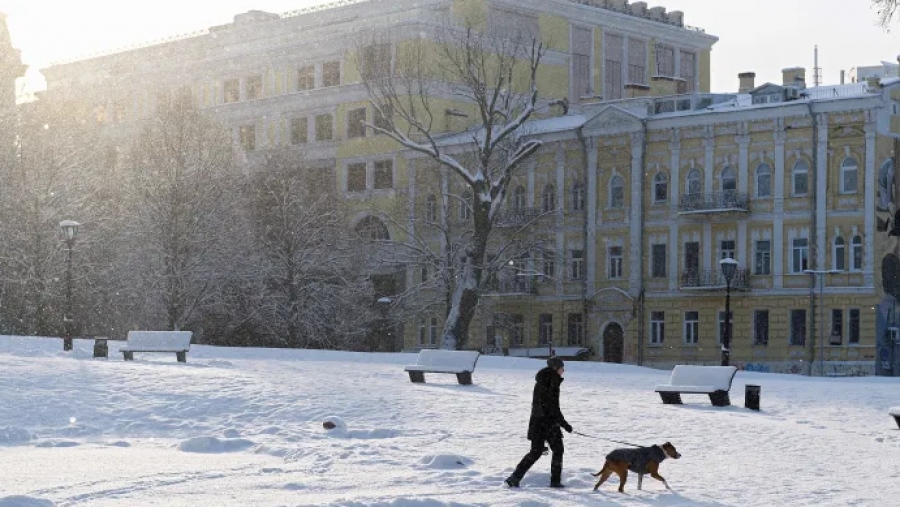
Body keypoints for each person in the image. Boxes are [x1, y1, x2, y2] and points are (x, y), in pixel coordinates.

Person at [505, 356, 572, 489]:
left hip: (540, 423)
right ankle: (554, 481)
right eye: (561, 368)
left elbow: (549, 406)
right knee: (555, 450)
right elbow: (552, 407)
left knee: (538, 452)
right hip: (546, 424)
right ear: (555, 368)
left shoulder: (546, 380)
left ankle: (515, 477)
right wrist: (563, 424)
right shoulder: (550, 382)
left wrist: (560, 422)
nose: (563, 371)